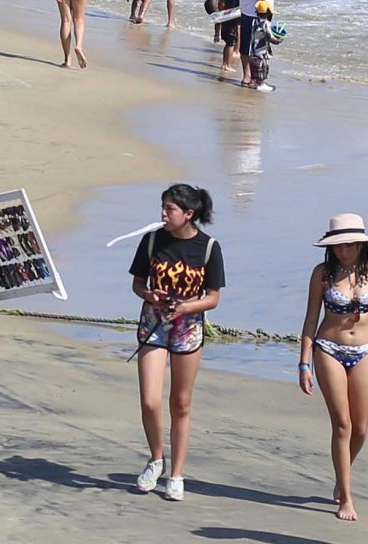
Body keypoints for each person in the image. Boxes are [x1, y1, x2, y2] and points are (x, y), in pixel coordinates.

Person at [297, 215, 368, 523]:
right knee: (343, 425)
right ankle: (347, 496)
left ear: (361, 244)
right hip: (329, 349)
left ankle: (342, 476)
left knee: (362, 428)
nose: (344, 251)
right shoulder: (322, 274)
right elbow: (311, 317)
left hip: (365, 351)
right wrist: (304, 362)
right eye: (339, 246)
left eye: (350, 245)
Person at [129, 184, 226, 503]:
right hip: (153, 324)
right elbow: (138, 283)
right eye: (163, 206)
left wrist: (186, 307)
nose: (163, 214)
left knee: (181, 403)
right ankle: (156, 459)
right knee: (150, 400)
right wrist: (149, 295)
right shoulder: (153, 240)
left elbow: (213, 298)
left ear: (189, 214)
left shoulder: (209, 247)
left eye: (170, 209)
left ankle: (177, 474)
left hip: (187, 327)